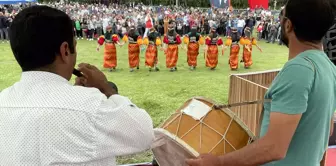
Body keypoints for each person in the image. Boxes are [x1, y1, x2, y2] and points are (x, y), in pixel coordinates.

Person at [186, 0, 336, 165]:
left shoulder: (298, 69)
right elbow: (326, 131)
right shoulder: (329, 67)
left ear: (288, 25)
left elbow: (275, 147)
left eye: (282, 16)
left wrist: (218, 162)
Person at [0, 6, 154, 165]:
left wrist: (75, 93)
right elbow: (143, 133)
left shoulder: (3, 101)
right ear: (65, 50)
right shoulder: (90, 107)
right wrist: (105, 87)